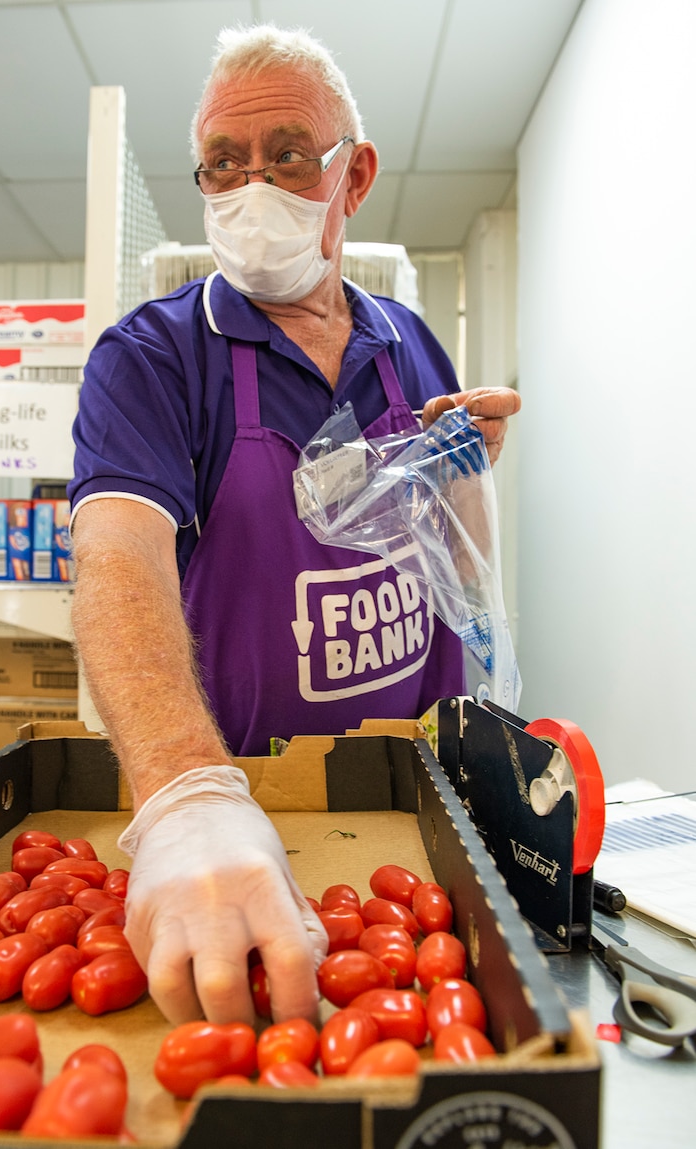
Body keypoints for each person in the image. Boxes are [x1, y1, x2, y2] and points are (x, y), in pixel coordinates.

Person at [67, 24, 520, 1029]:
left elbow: (450, 544)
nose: (250, 187)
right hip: (252, 817)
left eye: (285, 155)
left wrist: (462, 469)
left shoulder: (410, 345)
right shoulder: (151, 359)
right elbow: (115, 560)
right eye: (223, 164)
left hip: (419, 791)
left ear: (352, 176)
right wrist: (189, 798)